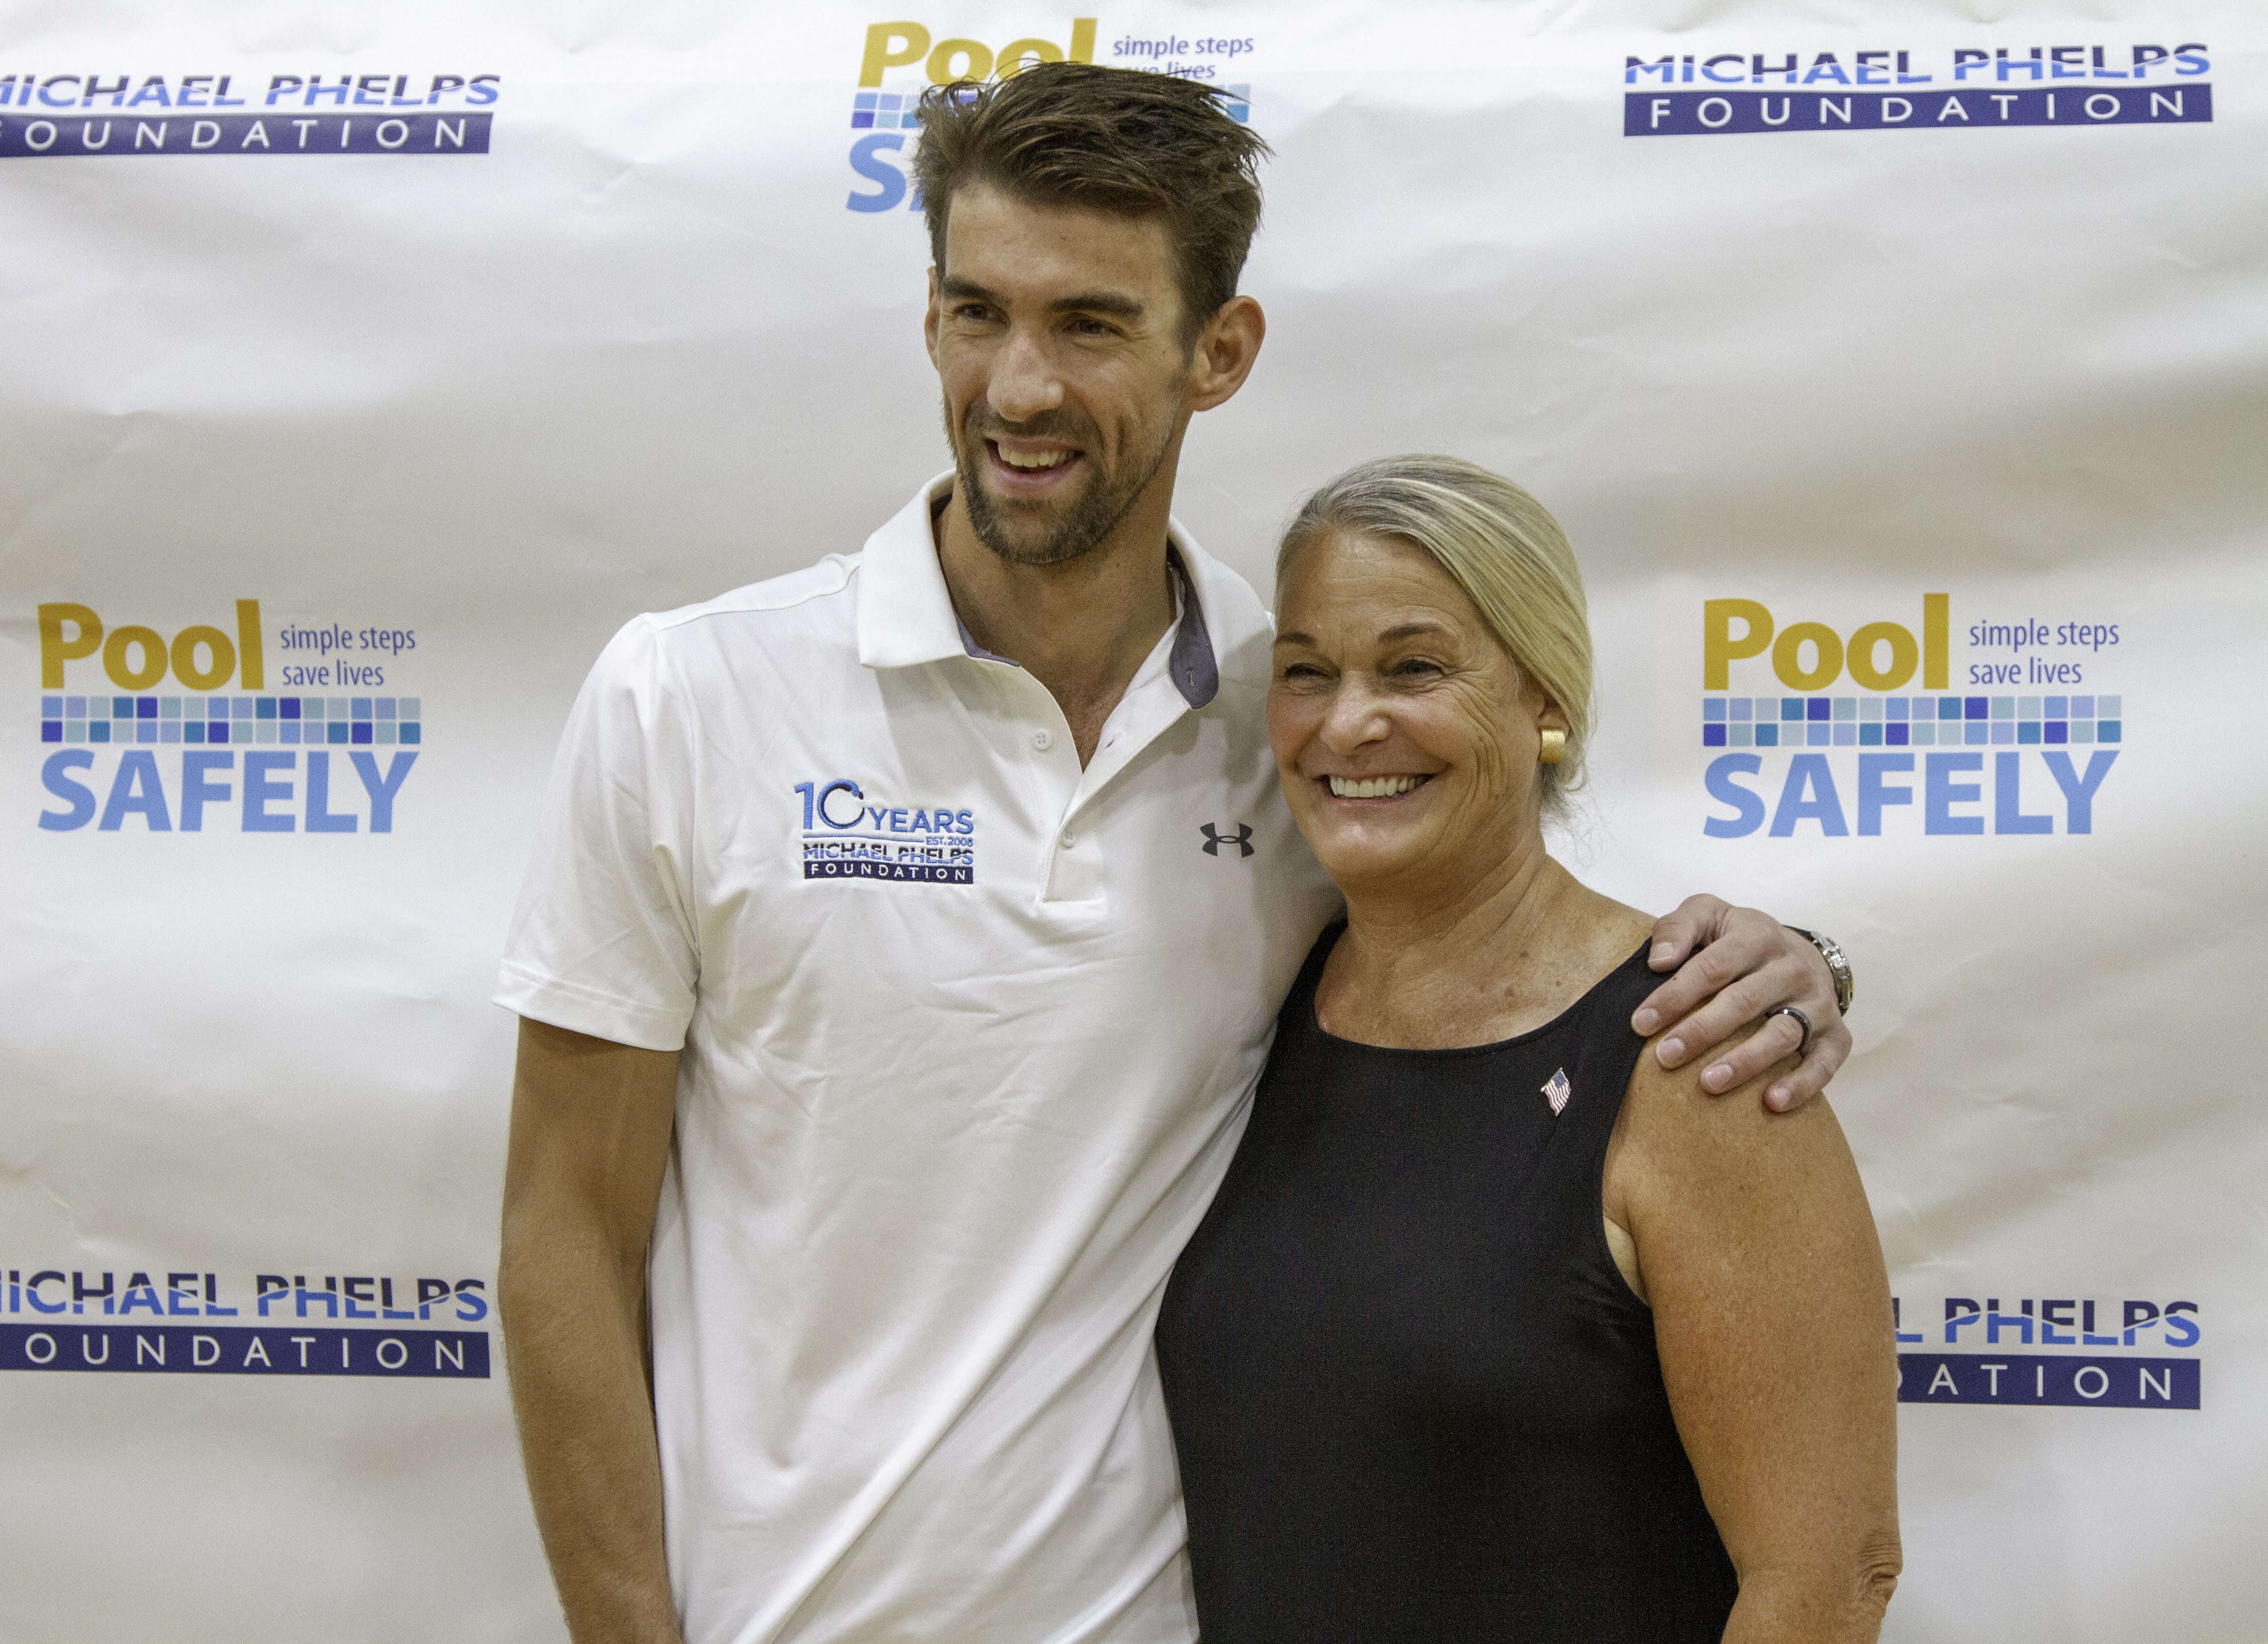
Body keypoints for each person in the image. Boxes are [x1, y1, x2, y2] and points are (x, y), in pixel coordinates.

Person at [493, 66, 1858, 1644]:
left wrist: (1790, 968)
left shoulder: (1302, 736)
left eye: (1088, 324)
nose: (1017, 388)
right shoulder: (689, 696)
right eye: (974, 311)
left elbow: (1522, 968)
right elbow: (561, 1236)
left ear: (1220, 350)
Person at [1156, 454, 1900, 1643]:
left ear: (1545, 699)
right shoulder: (1252, 1000)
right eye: (1306, 672)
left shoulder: (1696, 1052)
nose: (1349, 722)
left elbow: (1826, 1579)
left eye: (1414, 667)